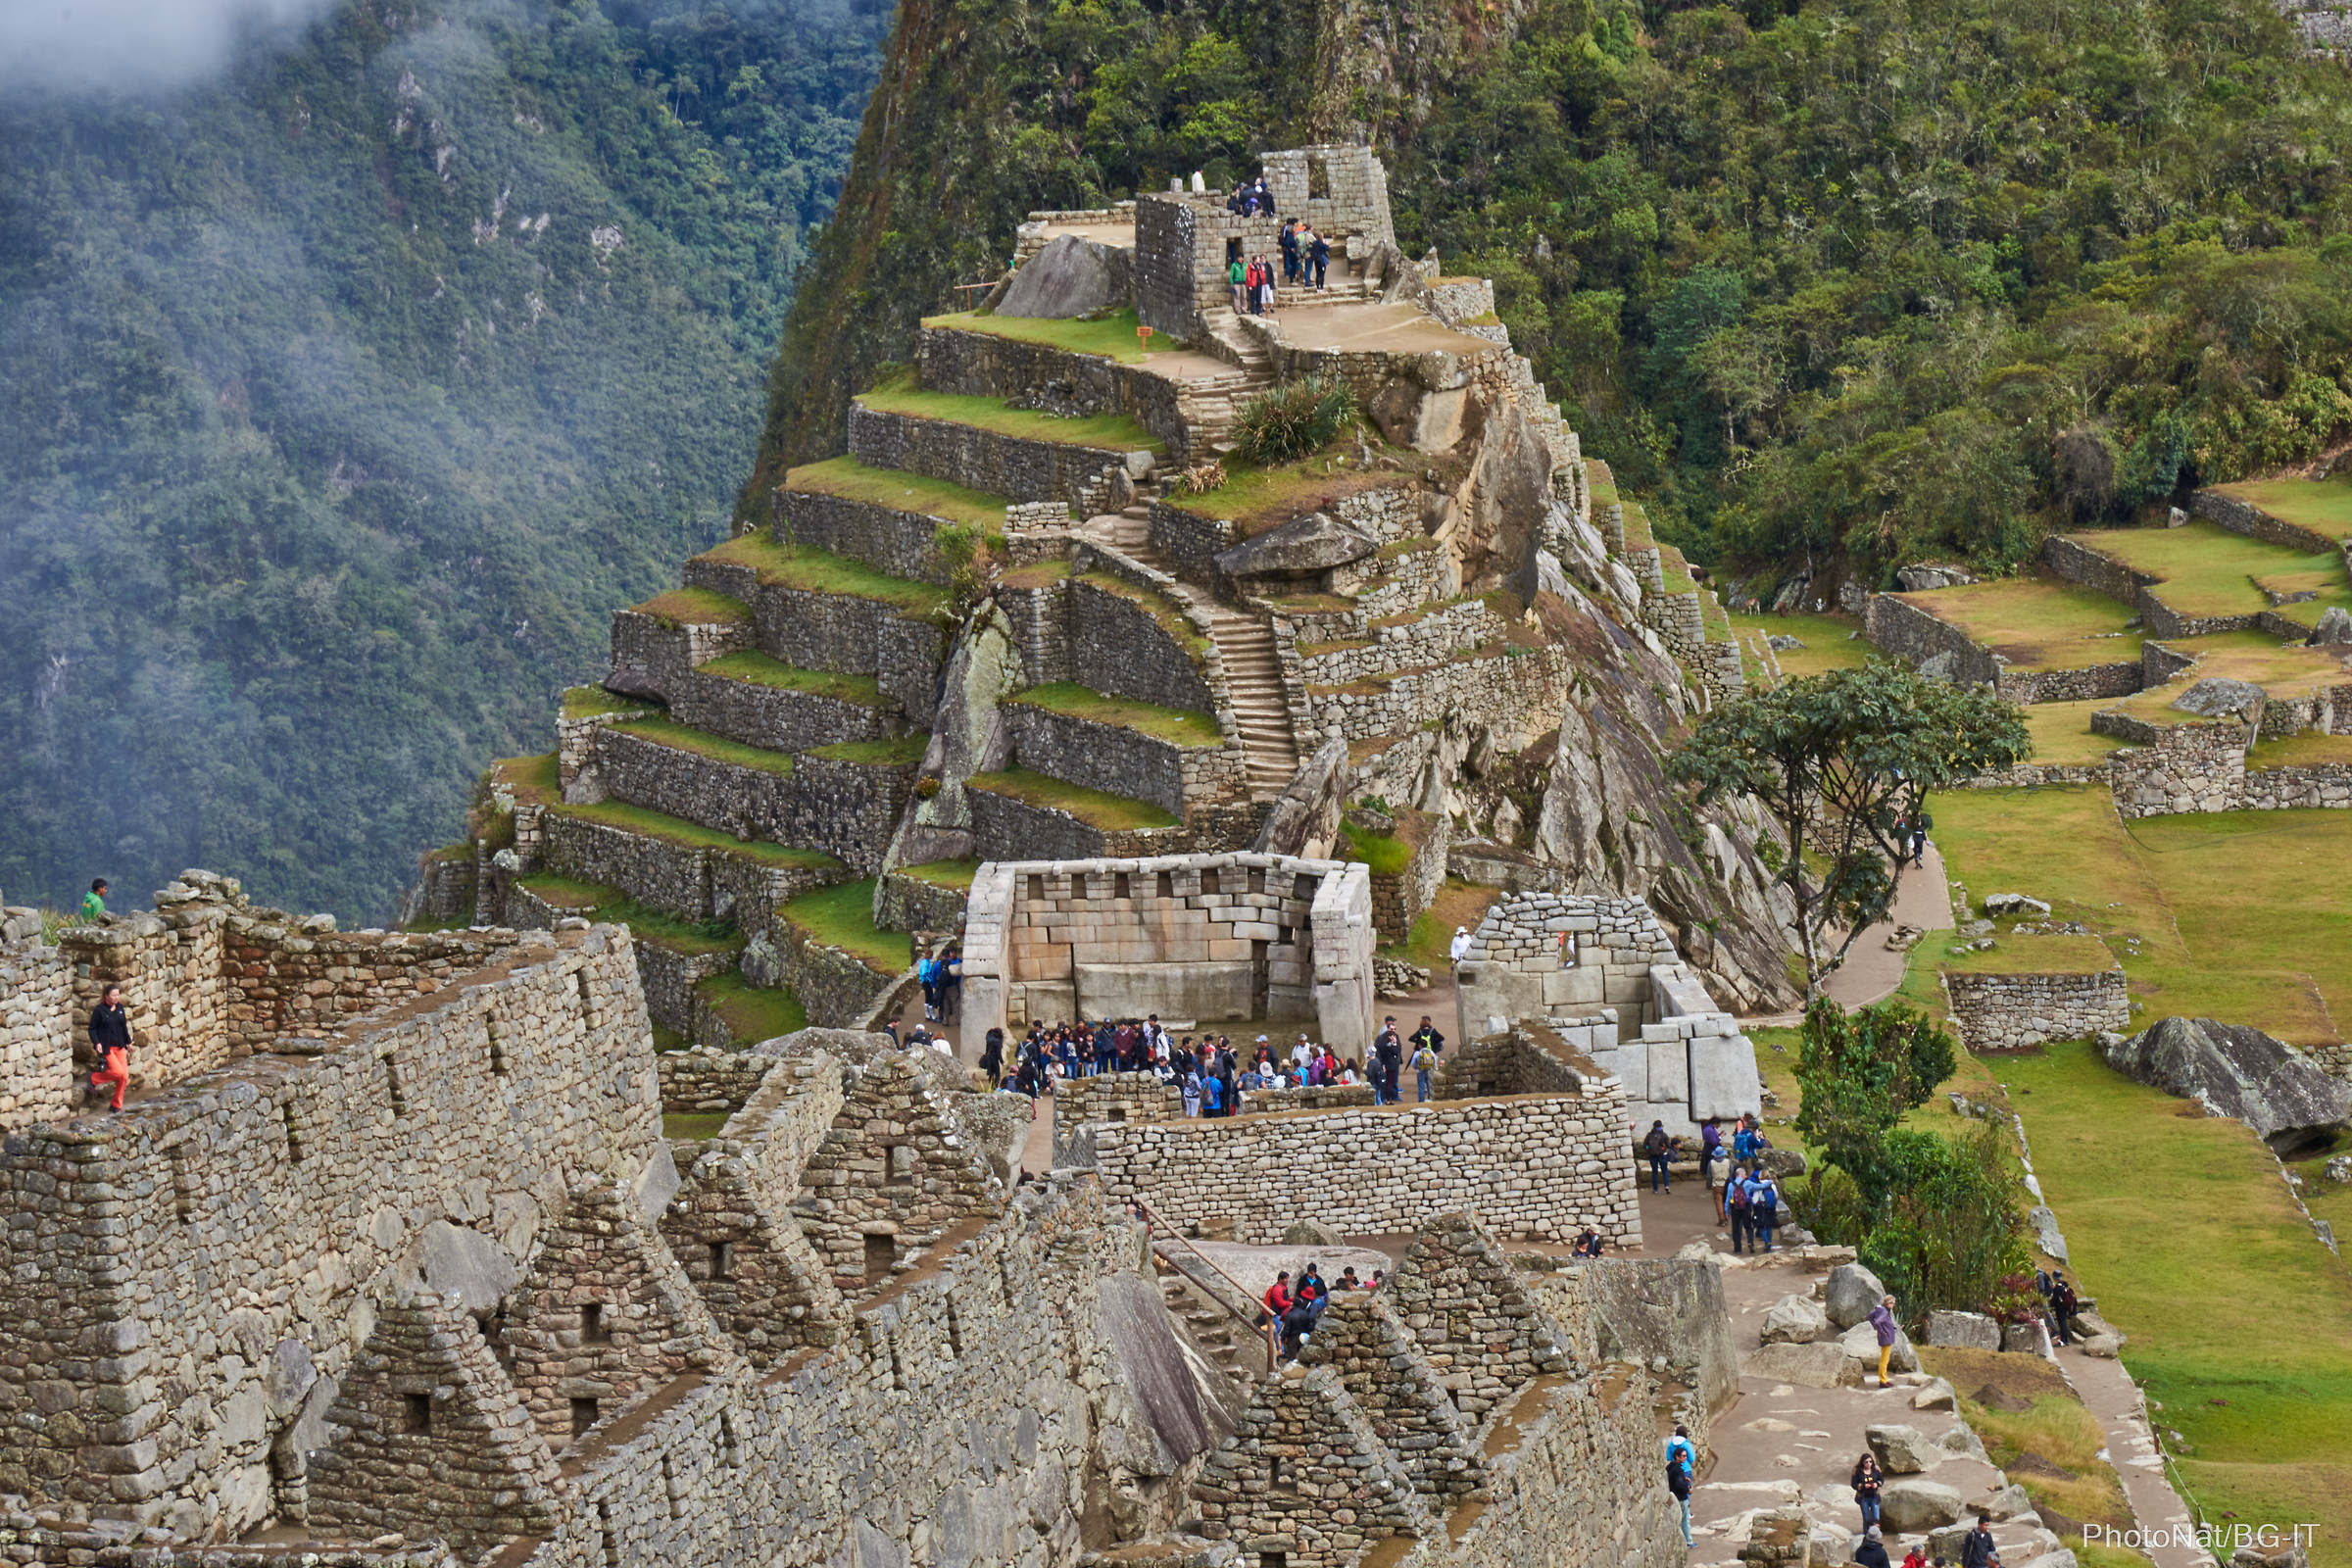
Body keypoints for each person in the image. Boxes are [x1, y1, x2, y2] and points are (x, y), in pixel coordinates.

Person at [87, 983, 132, 1112]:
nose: (116, 997)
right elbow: (92, 1029)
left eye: (118, 995)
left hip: (120, 1046)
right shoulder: (99, 1011)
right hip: (107, 1047)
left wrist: (128, 1043)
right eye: (113, 995)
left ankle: (116, 1105)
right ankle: (93, 1078)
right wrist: (97, 1043)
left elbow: (123, 1027)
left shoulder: (119, 1008)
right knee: (118, 1072)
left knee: (124, 1077)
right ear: (106, 996)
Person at [1664, 1426, 1696, 1545]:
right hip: (1686, 1470)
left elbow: (1668, 1456)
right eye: (1683, 1456)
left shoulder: (1671, 1444)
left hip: (1676, 1473)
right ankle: (1687, 1512)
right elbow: (1692, 1458)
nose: (1685, 1457)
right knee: (1685, 1496)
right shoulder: (1686, 1445)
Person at [1867, 1294, 1901, 1389]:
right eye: (1892, 1303)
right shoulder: (1884, 1312)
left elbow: (1870, 1316)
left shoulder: (1880, 1309)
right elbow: (1878, 1321)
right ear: (1888, 1303)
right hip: (1886, 1338)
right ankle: (1883, 1381)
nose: (1894, 1305)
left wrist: (1877, 1327)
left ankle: (1884, 1379)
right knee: (1884, 1360)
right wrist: (1882, 1331)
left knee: (1884, 1358)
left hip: (1885, 1337)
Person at [1700, 1117, 1727, 1221]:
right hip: (1710, 1150)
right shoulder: (1709, 1130)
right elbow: (1714, 1141)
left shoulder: (1708, 1129)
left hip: (1709, 1149)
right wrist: (1721, 1136)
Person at [1851, 1451, 1885, 1530]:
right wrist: (1863, 1486)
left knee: (1876, 1518)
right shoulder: (1858, 1471)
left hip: (1874, 1497)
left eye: (1870, 1462)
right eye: (1866, 1462)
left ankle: (1876, 1534)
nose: (1869, 1464)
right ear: (1862, 1463)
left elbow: (1881, 1480)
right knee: (1866, 1518)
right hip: (1863, 1498)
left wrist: (1877, 1484)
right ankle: (1866, 1534)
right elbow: (1853, 1484)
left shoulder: (1875, 1469)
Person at [1751, 1168, 1781, 1252]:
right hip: (1771, 1208)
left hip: (1761, 1209)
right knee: (1769, 1226)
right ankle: (1768, 1247)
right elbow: (1776, 1195)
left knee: (1760, 1226)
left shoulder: (1759, 1186)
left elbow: (1755, 1200)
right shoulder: (1772, 1185)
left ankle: (1767, 1242)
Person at [1727, 1162, 1753, 1254]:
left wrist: (1727, 1212)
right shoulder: (1748, 1183)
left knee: (1735, 1228)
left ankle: (1737, 1248)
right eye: (1745, 1174)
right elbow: (1759, 1187)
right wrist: (1769, 1182)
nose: (1746, 1176)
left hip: (1734, 1208)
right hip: (1745, 1207)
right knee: (1748, 1226)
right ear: (1742, 1174)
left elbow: (1727, 1199)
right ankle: (1750, 1242)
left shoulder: (1730, 1185)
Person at [1643, 1120, 1673, 1194]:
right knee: (1664, 1171)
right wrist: (1664, 1148)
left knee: (1654, 1172)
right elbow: (1669, 1145)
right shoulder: (1664, 1135)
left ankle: (1655, 1189)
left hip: (1652, 1156)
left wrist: (1648, 1149)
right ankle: (1666, 1186)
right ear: (1661, 1126)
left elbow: (1645, 1145)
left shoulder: (1649, 1135)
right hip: (1662, 1155)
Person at [1411, 1035, 1438, 1102]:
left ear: (1420, 1045)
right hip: (1429, 1070)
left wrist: (1417, 1067)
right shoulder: (1431, 1052)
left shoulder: (1417, 1053)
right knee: (1429, 1086)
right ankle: (1430, 1099)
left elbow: (1413, 1063)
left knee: (1421, 1086)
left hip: (1420, 1070)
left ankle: (1421, 1100)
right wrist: (1432, 1067)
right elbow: (1434, 1060)